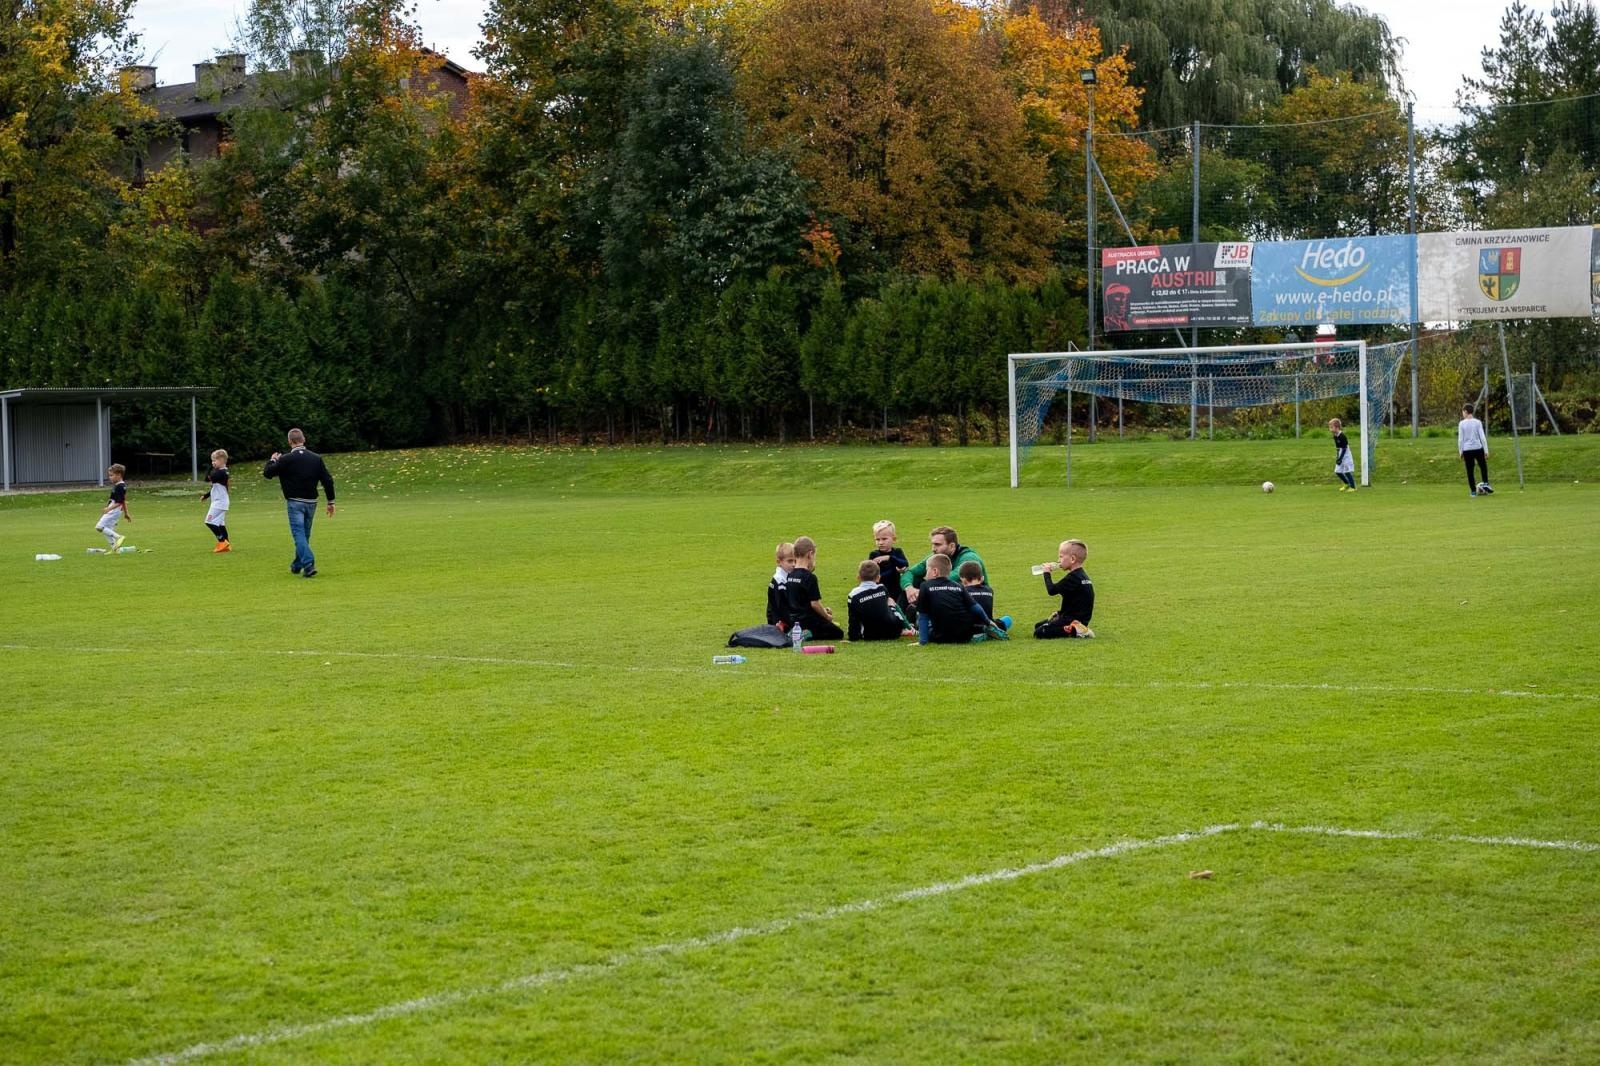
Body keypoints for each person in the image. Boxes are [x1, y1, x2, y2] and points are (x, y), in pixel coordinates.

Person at [262, 428, 336, 578]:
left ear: (289, 441)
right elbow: (327, 480)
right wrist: (330, 501)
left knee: (299, 534)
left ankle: (308, 564)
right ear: (304, 439)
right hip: (311, 502)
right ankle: (297, 565)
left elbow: (268, 473)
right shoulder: (316, 458)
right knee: (305, 535)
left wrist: (273, 460)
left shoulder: (286, 459)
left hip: (295, 502)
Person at [916, 554, 1003, 644]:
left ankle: (980, 631)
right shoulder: (958, 586)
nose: (925, 574)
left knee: (921, 620)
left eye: (927, 570)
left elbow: (923, 616)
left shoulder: (925, 586)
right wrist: (988, 622)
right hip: (965, 635)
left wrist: (923, 641)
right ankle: (982, 629)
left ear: (935, 571)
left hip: (942, 636)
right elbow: (976, 607)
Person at [902, 526, 986, 609]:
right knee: (914, 581)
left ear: (952, 546)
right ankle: (901, 616)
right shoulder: (937, 557)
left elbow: (953, 577)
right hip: (951, 598)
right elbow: (910, 572)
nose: (933, 549)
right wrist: (909, 588)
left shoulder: (969, 558)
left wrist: (926, 588)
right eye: (933, 544)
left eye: (937, 545)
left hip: (972, 603)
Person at [1033, 539, 1095, 639]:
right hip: (1077, 618)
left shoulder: (1073, 577)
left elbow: (1051, 590)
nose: (1058, 560)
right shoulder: (1081, 575)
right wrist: (1060, 613)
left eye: (1061, 557)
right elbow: (1075, 601)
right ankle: (1078, 629)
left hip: (1072, 620)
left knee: (1039, 632)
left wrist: (1046, 573)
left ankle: (1077, 631)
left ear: (1072, 559)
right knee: (1038, 625)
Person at [785, 536, 844, 640]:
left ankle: (795, 631)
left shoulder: (790, 575)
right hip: (809, 621)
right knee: (838, 633)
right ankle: (808, 633)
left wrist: (824, 611)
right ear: (810, 554)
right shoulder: (809, 577)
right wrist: (827, 617)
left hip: (794, 620)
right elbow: (815, 604)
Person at [847, 560, 914, 641]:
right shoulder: (882, 588)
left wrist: (853, 637)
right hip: (894, 632)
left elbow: (853, 619)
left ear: (858, 577)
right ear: (878, 578)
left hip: (870, 635)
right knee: (891, 603)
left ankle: (905, 627)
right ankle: (907, 628)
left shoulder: (853, 594)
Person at [958, 560, 1011, 638]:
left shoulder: (962, 592)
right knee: (1008, 619)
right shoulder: (989, 590)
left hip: (971, 627)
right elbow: (991, 612)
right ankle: (989, 632)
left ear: (963, 580)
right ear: (982, 578)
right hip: (989, 624)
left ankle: (980, 634)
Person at [867, 520, 910, 613]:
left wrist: (889, 558)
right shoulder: (874, 555)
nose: (880, 542)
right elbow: (872, 574)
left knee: (898, 609)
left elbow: (905, 564)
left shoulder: (897, 552)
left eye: (884, 539)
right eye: (877, 539)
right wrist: (894, 570)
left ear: (894, 539)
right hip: (880, 590)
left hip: (896, 589)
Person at [94, 464, 131, 552]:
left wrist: (108, 509)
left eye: (111, 475)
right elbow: (123, 500)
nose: (110, 477)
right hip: (115, 511)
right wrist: (126, 513)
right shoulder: (119, 485)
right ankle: (116, 549)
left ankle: (119, 537)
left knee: (99, 527)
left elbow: (119, 502)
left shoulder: (120, 487)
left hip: (114, 511)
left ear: (119, 475)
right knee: (107, 529)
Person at [1458, 404, 1493, 497]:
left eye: (1463, 412)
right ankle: (1485, 483)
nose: (1462, 414)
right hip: (1478, 448)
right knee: (1483, 466)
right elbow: (1483, 437)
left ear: (1465, 411)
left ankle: (1473, 491)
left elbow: (1460, 439)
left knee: (1470, 471)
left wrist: (1460, 451)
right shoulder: (1477, 422)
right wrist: (1486, 451)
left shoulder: (1461, 424)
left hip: (1467, 450)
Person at [201, 449, 232, 553]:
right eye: (212, 461)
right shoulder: (222, 471)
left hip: (220, 502)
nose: (212, 463)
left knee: (209, 521)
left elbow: (207, 478)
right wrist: (206, 495)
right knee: (220, 524)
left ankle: (222, 542)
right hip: (219, 501)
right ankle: (227, 544)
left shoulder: (222, 472)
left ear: (222, 460)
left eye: (214, 460)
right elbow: (215, 487)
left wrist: (209, 468)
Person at [767, 541, 797, 627]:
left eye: (795, 561)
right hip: (778, 624)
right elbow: (780, 607)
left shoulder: (788, 576)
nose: (793, 564)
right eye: (790, 561)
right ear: (779, 562)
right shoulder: (779, 581)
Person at [1329, 418, 1356, 492]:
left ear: (1337, 427)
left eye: (1331, 427)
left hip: (1346, 455)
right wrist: (1338, 457)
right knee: (1337, 471)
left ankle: (1353, 487)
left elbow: (1344, 448)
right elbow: (1338, 448)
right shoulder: (1335, 436)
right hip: (1341, 454)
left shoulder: (1342, 436)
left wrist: (1340, 458)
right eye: (1330, 427)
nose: (1330, 429)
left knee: (1347, 471)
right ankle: (1346, 484)